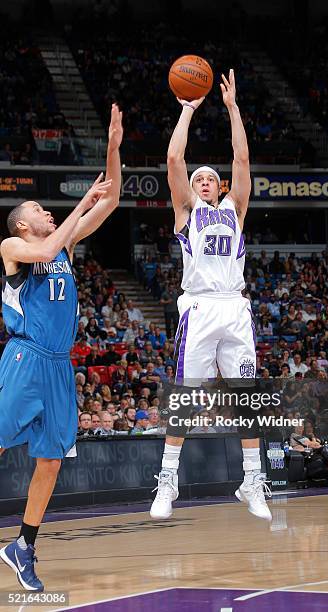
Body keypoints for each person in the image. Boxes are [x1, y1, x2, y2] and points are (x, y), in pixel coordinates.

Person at [0, 104, 123, 591]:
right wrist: (78, 207)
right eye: (37, 211)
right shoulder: (13, 250)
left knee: (49, 459)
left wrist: (113, 150)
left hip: (59, 366)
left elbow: (110, 201)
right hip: (25, 357)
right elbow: (49, 249)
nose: (46, 212)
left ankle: (22, 546)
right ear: (21, 225)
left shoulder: (66, 245)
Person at [150, 70, 271, 522]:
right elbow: (174, 159)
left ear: (220, 187)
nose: (202, 181)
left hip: (235, 306)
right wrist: (186, 111)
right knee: (187, 396)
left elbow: (241, 159)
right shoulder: (186, 212)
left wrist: (234, 109)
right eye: (198, 179)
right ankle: (167, 480)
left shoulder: (235, 210)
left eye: (209, 179)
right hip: (199, 306)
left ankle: (253, 480)